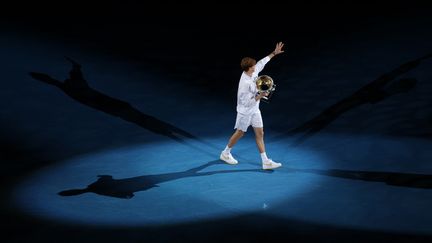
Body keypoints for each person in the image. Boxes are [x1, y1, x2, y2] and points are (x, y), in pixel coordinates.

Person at [220, 42, 284, 170]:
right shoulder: (245, 83)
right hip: (245, 111)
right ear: (249, 68)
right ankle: (225, 153)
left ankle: (265, 161)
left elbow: (262, 63)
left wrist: (274, 53)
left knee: (260, 133)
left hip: (255, 110)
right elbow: (246, 102)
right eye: (253, 65)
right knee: (240, 133)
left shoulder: (253, 72)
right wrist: (261, 95)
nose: (255, 66)